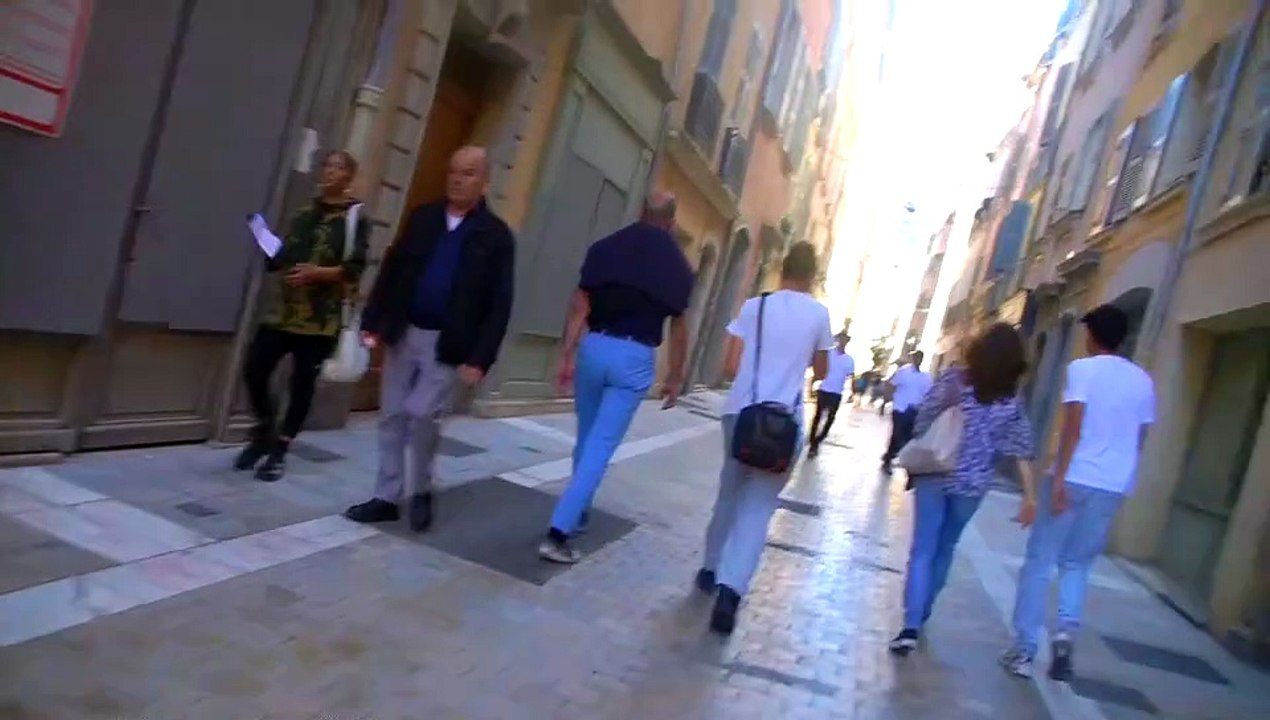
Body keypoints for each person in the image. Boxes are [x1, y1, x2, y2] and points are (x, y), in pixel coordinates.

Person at [344, 146, 515, 532]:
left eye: (469, 173)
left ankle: (420, 489)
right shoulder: (424, 218)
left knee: (422, 414)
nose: (458, 179)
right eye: (454, 171)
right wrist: (373, 318)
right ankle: (386, 496)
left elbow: (499, 303)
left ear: (484, 181)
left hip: (448, 341)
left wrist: (480, 358)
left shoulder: (496, 236)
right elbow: (394, 269)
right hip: (405, 331)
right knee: (391, 415)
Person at [1000, 305, 1155, 681]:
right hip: (1112, 485)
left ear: (1093, 335)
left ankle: (1024, 650)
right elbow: (1140, 436)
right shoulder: (1143, 381)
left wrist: (1059, 479)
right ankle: (1065, 634)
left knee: (1040, 561)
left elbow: (1072, 426)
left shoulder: (1082, 370)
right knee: (1077, 564)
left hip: (1074, 477)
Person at [538, 191, 694, 563]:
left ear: (642, 213)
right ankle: (558, 533)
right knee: (601, 447)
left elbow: (581, 303)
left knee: (587, 438)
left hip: (594, 347)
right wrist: (675, 376)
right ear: (671, 222)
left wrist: (568, 353)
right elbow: (680, 327)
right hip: (634, 355)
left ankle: (578, 511)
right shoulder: (678, 266)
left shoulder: (606, 247)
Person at [698, 242, 834, 635]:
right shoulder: (819, 315)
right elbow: (822, 372)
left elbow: (729, 362)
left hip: (740, 411)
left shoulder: (755, 306)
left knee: (729, 492)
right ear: (813, 276)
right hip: (783, 422)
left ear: (782, 267)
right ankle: (731, 591)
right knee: (759, 507)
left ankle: (709, 568)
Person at [889, 323, 1037, 654]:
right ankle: (924, 610)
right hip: (972, 485)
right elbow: (1022, 448)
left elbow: (924, 416)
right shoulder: (1011, 400)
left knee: (923, 549)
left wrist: (926, 444)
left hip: (936, 474)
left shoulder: (955, 380)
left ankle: (910, 626)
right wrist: (1030, 496)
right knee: (946, 548)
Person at [236, 150, 370, 482]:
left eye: (338, 167)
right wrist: (267, 243)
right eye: (327, 165)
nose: (329, 171)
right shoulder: (305, 212)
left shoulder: (355, 217)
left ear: (349, 176)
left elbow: (354, 268)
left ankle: (280, 450)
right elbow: (287, 254)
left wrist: (316, 274)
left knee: (302, 384)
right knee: (255, 367)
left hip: (319, 320)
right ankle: (265, 426)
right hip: (283, 312)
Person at [882, 351, 933, 473]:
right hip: (900, 408)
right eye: (915, 357)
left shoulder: (926, 377)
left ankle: (890, 456)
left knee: (907, 436)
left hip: (914, 410)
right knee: (897, 434)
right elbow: (891, 384)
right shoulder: (904, 372)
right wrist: (888, 399)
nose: (917, 360)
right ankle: (888, 460)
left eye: (920, 358)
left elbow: (928, 394)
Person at [808, 333, 854, 456]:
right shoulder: (828, 354)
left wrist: (852, 392)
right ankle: (813, 442)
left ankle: (818, 439)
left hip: (836, 393)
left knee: (830, 419)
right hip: (824, 389)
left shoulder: (849, 360)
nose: (843, 342)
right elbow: (817, 369)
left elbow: (850, 377)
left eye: (846, 340)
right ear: (838, 340)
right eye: (841, 339)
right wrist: (813, 385)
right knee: (817, 417)